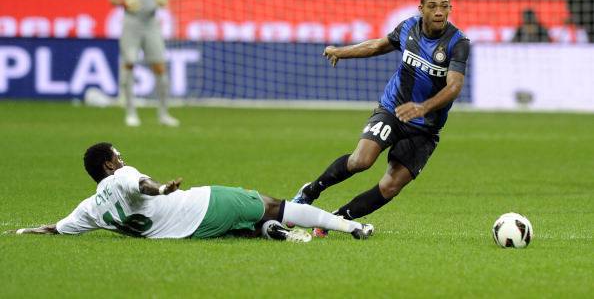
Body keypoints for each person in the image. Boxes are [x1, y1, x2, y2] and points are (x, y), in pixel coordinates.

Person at [292, 0, 470, 236]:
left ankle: (337, 219)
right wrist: (341, 52)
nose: (439, 12)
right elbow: (377, 46)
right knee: (360, 161)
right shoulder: (408, 27)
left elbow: (454, 86)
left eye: (444, 6)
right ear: (421, 9)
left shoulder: (458, 42)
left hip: (425, 127)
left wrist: (423, 107)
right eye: (432, 6)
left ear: (450, 8)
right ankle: (309, 192)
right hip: (393, 110)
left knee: (390, 186)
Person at [10, 142, 374, 242]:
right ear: (108, 165)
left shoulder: (89, 209)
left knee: (250, 224)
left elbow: (55, 228)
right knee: (275, 205)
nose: (123, 160)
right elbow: (141, 185)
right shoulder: (122, 176)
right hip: (203, 205)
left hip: (186, 232)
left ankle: (266, 232)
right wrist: (161, 188)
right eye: (118, 156)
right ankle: (351, 226)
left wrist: (22, 231)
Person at [110, 0, 179, 127]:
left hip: (151, 22)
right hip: (131, 22)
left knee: (160, 66)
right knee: (129, 63)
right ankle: (130, 112)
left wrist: (162, 0)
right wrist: (123, 2)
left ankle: (163, 113)